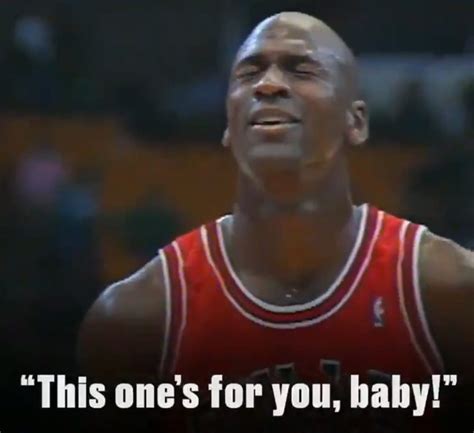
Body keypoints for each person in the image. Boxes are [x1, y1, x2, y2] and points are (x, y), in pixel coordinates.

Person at [78, 12, 473, 433]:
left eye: (301, 70)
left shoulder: (449, 292)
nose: (268, 85)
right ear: (228, 125)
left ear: (355, 122)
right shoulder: (135, 319)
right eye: (249, 73)